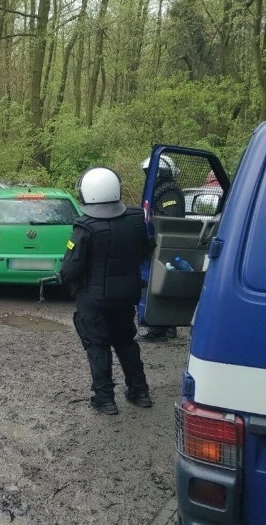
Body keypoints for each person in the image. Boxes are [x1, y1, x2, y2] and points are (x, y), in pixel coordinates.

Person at [58, 167, 155, 415]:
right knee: (126, 341)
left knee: (97, 344)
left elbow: (71, 267)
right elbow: (146, 251)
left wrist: (62, 280)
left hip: (94, 299)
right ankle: (140, 391)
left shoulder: (85, 228)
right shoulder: (136, 219)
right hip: (126, 296)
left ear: (86, 193)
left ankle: (105, 399)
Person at [136, 155, 185, 342]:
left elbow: (168, 220)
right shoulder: (160, 191)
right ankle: (165, 326)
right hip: (158, 244)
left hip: (163, 245)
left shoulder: (169, 192)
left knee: (156, 284)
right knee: (160, 284)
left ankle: (158, 327)